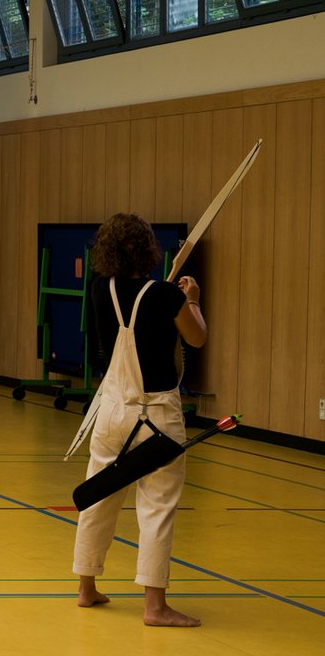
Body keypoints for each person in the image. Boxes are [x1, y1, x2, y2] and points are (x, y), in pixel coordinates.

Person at [70, 213, 207, 627]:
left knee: (99, 497)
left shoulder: (99, 288)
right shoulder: (166, 296)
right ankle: (155, 606)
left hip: (110, 410)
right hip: (156, 416)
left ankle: (86, 588)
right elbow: (197, 336)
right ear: (146, 249)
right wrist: (193, 299)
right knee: (157, 507)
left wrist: (171, 295)